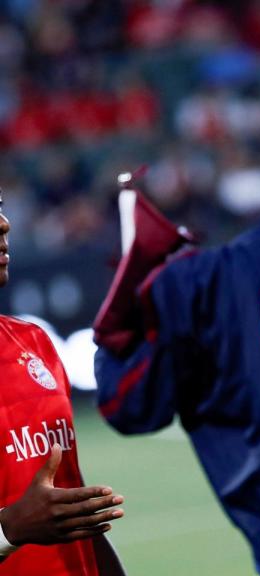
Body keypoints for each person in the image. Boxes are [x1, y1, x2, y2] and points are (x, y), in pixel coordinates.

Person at [92, 113, 260, 576]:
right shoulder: (204, 285)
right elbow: (128, 406)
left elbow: (125, 402)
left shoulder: (202, 285)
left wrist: (126, 312)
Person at [0, 189, 126, 575]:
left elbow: (71, 508)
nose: (3, 225)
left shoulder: (35, 343)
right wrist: (8, 530)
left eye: (1, 209)